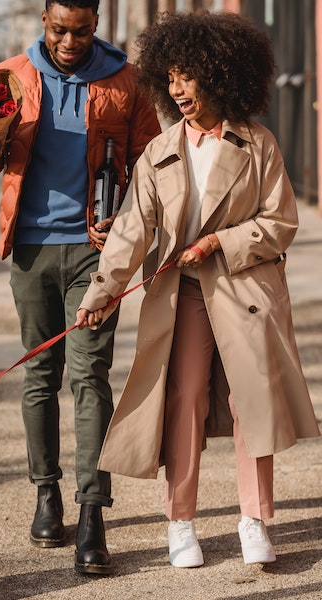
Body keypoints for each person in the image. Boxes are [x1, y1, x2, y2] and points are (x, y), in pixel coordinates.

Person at [76, 10, 320, 569]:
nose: (177, 89)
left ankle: (253, 520)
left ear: (220, 74)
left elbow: (280, 222)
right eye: (171, 78)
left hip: (242, 290)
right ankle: (180, 524)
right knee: (183, 401)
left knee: (247, 404)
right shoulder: (159, 151)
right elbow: (130, 234)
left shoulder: (257, 144)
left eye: (188, 76)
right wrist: (98, 295)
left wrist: (218, 243)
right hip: (181, 294)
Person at [0, 0, 160, 574]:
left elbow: (148, 159)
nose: (69, 41)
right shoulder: (8, 78)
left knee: (90, 375)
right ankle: (46, 493)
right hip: (29, 249)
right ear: (42, 23)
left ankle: (92, 513)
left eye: (80, 30)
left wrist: (122, 215)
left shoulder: (126, 81)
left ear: (97, 25)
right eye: (58, 30)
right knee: (40, 374)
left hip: (94, 254)